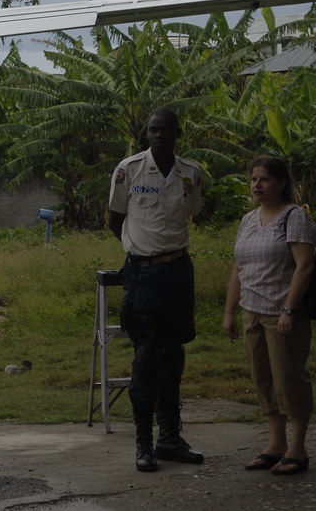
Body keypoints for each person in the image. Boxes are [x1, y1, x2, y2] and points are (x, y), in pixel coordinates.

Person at [107, 107, 204, 472]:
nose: (159, 136)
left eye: (166, 131)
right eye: (153, 131)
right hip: (144, 275)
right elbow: (114, 219)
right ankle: (143, 444)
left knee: (174, 357)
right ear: (146, 134)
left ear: (178, 133)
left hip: (179, 271)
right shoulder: (128, 169)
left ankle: (170, 439)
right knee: (145, 359)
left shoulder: (190, 173)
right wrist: (140, 249)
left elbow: (190, 213)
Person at [222, 156, 315, 475]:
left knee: (289, 378)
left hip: (284, 314)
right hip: (252, 313)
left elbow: (304, 266)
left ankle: (298, 448)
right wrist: (230, 311)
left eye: (263, 179)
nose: (256, 185)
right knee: (263, 379)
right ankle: (275, 444)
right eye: (253, 180)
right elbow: (239, 267)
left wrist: (290, 308)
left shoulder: (294, 217)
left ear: (281, 182)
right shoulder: (248, 220)